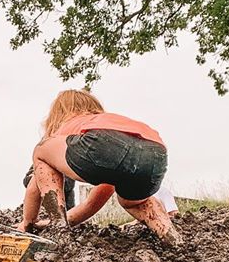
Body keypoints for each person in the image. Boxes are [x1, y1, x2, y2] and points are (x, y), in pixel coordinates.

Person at [19, 89, 180, 244]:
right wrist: (69, 221)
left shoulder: (71, 126)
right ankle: (175, 242)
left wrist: (28, 222)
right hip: (155, 152)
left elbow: (35, 185)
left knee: (41, 151)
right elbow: (91, 204)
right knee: (134, 202)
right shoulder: (108, 122)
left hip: (101, 143)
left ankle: (58, 227)